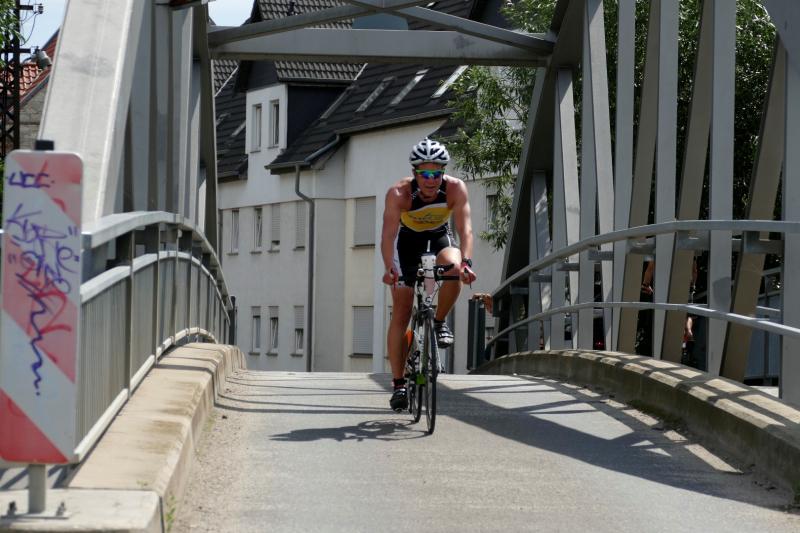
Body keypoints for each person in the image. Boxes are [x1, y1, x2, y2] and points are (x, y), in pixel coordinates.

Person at [380, 138, 477, 411]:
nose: (431, 180)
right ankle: (399, 384)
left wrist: (467, 263)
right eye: (425, 174)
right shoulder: (399, 193)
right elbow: (388, 236)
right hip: (406, 244)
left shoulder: (455, 188)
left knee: (454, 269)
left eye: (437, 174)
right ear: (415, 173)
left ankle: (439, 321)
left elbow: (465, 230)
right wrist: (389, 268)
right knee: (401, 312)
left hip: (439, 238)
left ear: (443, 172)